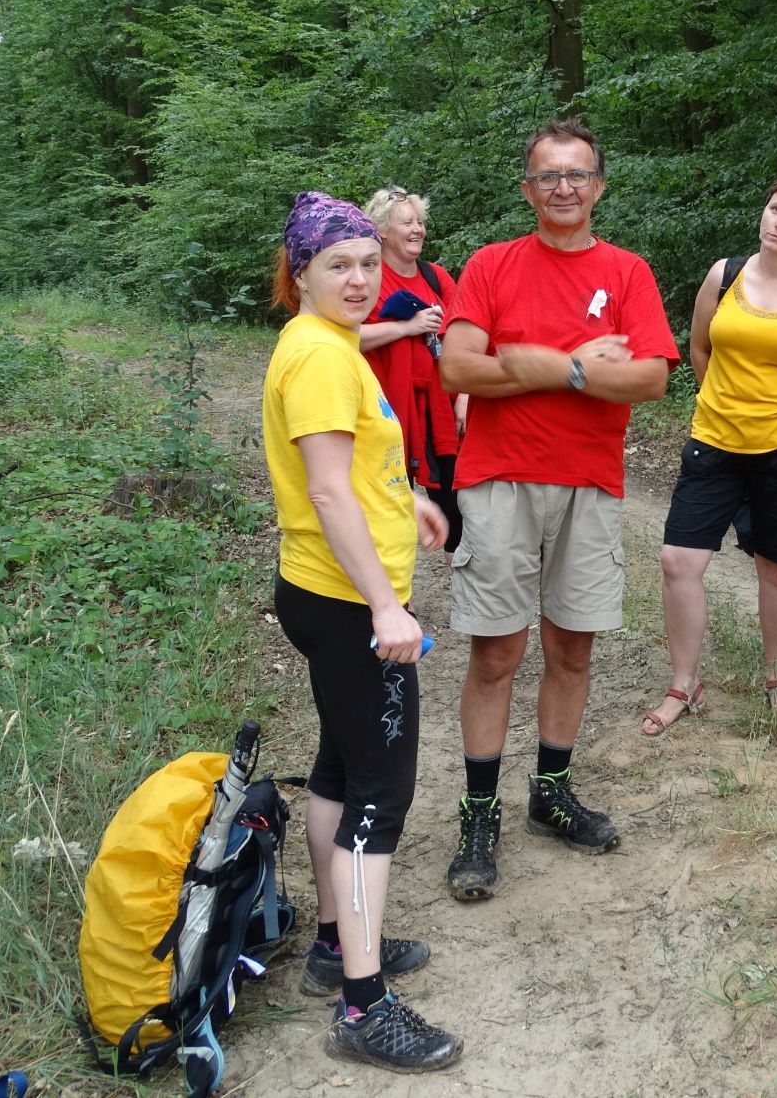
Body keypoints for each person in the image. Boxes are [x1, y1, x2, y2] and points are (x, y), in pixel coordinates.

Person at [437, 118, 678, 900]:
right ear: (528, 189)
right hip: (500, 477)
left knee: (572, 649)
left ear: (598, 186)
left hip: (589, 482)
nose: (564, 187)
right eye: (549, 175)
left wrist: (547, 367)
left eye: (577, 174)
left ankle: (550, 793)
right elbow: (456, 368)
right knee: (496, 654)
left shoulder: (628, 272)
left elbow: (650, 379)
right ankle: (480, 812)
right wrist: (580, 364)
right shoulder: (492, 264)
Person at [260, 191, 462, 1072]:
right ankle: (363, 1007)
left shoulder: (326, 342)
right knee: (381, 791)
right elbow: (326, 490)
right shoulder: (319, 355)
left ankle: (335, 944)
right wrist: (386, 606)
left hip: (323, 590)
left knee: (341, 772)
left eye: (368, 264)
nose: (358, 279)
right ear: (299, 271)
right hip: (348, 603)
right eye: (336, 265)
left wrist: (407, 499)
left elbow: (349, 470)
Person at [642, 177, 777, 734]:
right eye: (775, 209)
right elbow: (699, 347)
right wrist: (721, 402)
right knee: (678, 561)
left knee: (775, 566)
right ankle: (683, 684)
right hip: (714, 442)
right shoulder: (724, 275)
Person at [359, 186, 470, 550]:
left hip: (440, 409)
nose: (418, 229)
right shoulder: (365, 279)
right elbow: (347, 336)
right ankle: (389, 582)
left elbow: (467, 335)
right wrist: (407, 327)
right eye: (407, 222)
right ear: (382, 230)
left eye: (420, 222)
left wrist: (465, 396)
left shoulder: (435, 277)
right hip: (387, 411)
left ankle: (462, 579)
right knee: (389, 506)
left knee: (457, 509)